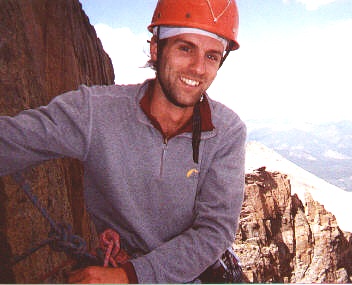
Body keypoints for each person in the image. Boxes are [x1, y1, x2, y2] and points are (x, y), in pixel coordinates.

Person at [0, 0, 246, 283]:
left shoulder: (226, 132)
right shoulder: (96, 112)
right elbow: (13, 141)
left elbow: (214, 231)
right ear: (157, 48)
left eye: (212, 56)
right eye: (185, 48)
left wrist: (129, 275)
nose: (198, 68)